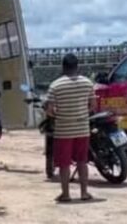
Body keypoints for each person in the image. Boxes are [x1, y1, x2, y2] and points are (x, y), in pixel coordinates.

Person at [47, 53, 95, 203]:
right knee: (82, 161)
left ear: (63, 67)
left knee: (64, 164)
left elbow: (50, 110)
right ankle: (84, 193)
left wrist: (58, 113)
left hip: (63, 130)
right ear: (77, 66)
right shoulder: (88, 83)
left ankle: (66, 194)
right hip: (82, 129)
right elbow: (92, 105)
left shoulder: (55, 86)